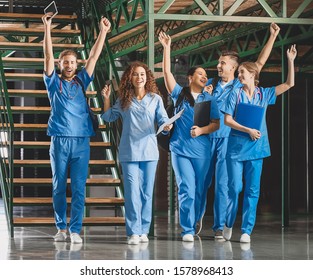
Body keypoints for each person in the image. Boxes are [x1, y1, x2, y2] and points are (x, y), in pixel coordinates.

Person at [198, 23, 281, 239]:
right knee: (203, 182)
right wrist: (203, 96)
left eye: (222, 63)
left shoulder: (239, 85)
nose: (218, 66)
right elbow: (199, 112)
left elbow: (259, 63)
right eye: (218, 62)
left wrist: (272, 37)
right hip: (210, 137)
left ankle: (219, 227)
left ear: (234, 68)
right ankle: (197, 218)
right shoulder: (211, 84)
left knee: (225, 186)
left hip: (231, 139)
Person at [42, 13, 111, 244]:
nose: (69, 65)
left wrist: (103, 32)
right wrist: (48, 29)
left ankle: (75, 230)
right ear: (61, 65)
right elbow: (48, 55)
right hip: (60, 141)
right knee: (59, 187)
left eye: (72, 62)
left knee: (79, 189)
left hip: (82, 141)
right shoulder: (53, 83)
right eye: (65, 62)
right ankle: (61, 227)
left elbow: (93, 56)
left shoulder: (82, 81)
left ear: (76, 65)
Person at [222, 45, 297, 243]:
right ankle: (228, 223)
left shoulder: (264, 95)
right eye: (238, 73)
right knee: (235, 188)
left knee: (252, 191)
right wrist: (247, 130)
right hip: (236, 149)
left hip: (257, 149)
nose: (239, 76)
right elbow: (227, 120)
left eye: (242, 73)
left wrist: (290, 60)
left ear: (253, 75)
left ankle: (247, 230)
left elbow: (289, 84)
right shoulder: (234, 94)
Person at [101, 61, 171, 245]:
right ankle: (134, 231)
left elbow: (163, 121)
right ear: (129, 78)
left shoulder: (155, 99)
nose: (139, 77)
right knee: (132, 193)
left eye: (142, 74)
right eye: (135, 74)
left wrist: (167, 126)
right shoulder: (124, 99)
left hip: (149, 152)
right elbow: (108, 117)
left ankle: (144, 231)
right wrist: (106, 98)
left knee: (147, 193)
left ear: (147, 77)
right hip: (129, 151)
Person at [159, 31, 220, 242]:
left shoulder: (209, 98)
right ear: (190, 77)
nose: (204, 76)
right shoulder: (179, 94)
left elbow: (216, 124)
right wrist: (167, 47)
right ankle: (187, 229)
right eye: (200, 74)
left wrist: (201, 131)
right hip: (180, 149)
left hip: (203, 150)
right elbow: (167, 72)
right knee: (187, 188)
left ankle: (196, 218)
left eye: (206, 75)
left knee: (201, 189)